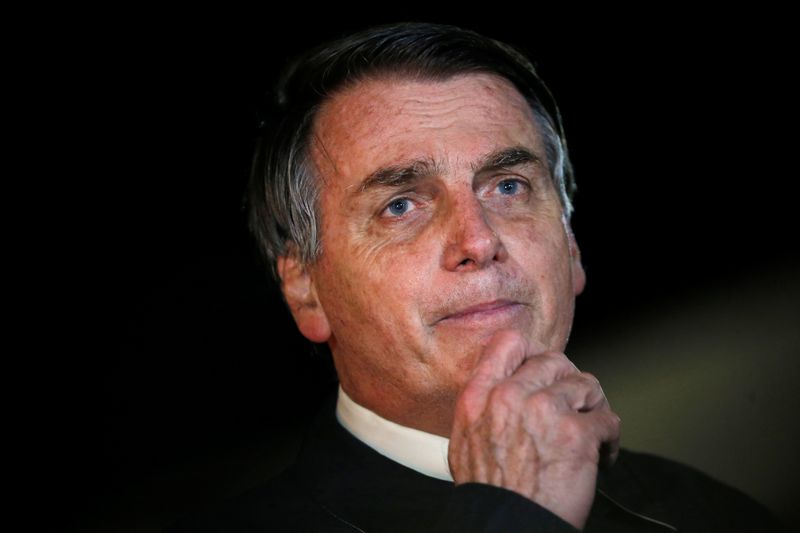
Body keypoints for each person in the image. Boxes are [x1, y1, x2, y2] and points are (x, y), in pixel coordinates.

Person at [168, 22, 783, 532]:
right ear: (305, 288)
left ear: (570, 246)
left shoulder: (713, 513)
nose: (480, 240)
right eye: (401, 205)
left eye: (509, 186)